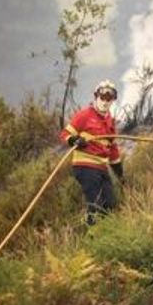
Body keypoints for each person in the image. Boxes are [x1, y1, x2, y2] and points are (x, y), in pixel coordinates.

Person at [60, 80, 123, 225]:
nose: (105, 101)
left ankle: (105, 236)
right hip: (85, 166)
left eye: (109, 98)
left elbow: (112, 150)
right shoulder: (84, 115)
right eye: (102, 97)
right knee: (95, 205)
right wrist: (74, 140)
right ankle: (91, 234)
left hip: (101, 168)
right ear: (96, 96)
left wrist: (120, 174)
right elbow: (64, 134)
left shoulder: (110, 122)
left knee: (110, 205)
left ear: (113, 100)